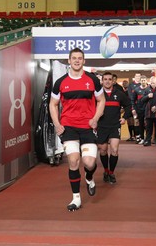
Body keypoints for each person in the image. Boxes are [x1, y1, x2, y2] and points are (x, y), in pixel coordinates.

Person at [49, 48, 106, 211]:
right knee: (73, 160)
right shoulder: (60, 82)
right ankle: (76, 199)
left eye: (80, 58)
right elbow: (52, 104)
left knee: (89, 162)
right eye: (74, 58)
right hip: (69, 127)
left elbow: (101, 100)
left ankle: (89, 177)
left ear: (84, 61)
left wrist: (95, 118)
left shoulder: (93, 80)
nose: (76, 61)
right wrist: (57, 124)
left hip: (88, 127)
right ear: (69, 61)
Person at [97, 72, 131, 184]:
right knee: (103, 150)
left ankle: (111, 172)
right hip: (101, 126)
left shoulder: (120, 94)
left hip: (115, 126)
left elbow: (128, 105)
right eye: (105, 79)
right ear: (102, 81)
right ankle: (106, 171)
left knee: (115, 150)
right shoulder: (97, 94)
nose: (107, 81)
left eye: (109, 79)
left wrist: (124, 117)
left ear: (113, 81)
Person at [141, 76, 156, 146]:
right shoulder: (147, 89)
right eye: (151, 83)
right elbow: (142, 100)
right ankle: (147, 140)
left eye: (153, 83)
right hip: (148, 112)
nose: (152, 84)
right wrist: (147, 96)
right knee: (148, 127)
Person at [131, 75, 148, 144]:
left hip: (148, 110)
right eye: (142, 80)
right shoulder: (136, 90)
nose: (143, 82)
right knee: (140, 124)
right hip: (139, 109)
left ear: (146, 81)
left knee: (147, 125)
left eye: (144, 80)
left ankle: (148, 138)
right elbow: (133, 100)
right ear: (140, 81)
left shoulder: (149, 88)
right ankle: (142, 138)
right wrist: (134, 109)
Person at [127, 72, 142, 143]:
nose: (138, 78)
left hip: (141, 106)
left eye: (139, 76)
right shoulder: (131, 85)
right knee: (133, 121)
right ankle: (134, 136)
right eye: (137, 76)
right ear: (134, 77)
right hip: (133, 105)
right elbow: (130, 96)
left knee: (139, 122)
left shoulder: (142, 84)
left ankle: (140, 136)